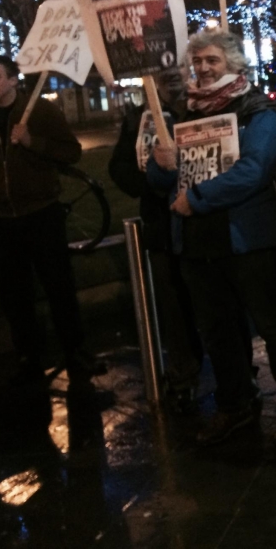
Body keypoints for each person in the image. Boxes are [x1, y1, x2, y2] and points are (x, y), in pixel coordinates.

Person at [147, 31, 276, 446]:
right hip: (197, 244)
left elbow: (255, 170)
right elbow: (163, 181)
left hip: (246, 239)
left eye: (213, 61)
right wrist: (161, 164)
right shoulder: (184, 115)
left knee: (274, 327)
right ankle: (235, 404)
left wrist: (200, 199)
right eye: (198, 62)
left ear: (235, 66)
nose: (203, 69)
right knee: (217, 330)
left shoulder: (259, 114)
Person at [0, 55, 103, 382]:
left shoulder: (40, 111)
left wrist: (33, 141)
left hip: (40, 214)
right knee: (14, 294)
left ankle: (76, 353)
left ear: (13, 80)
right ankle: (28, 356)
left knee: (59, 287)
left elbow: (70, 152)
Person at [109, 68, 203, 412]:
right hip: (162, 224)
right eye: (161, 71)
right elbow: (118, 169)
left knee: (213, 300)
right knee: (172, 303)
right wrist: (151, 175)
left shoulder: (203, 108)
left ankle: (236, 372)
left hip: (202, 219)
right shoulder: (138, 118)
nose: (171, 75)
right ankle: (183, 372)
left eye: (176, 65)